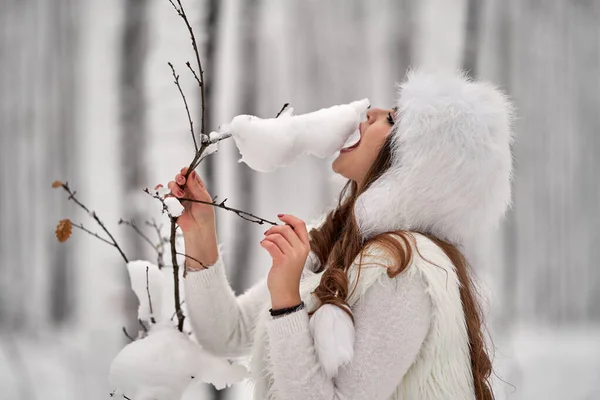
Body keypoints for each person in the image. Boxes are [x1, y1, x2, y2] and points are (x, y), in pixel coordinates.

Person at [168, 69, 514, 400]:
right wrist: (201, 235)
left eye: (392, 119)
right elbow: (228, 334)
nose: (371, 111)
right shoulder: (337, 238)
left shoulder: (407, 267)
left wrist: (287, 298)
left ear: (416, 164)